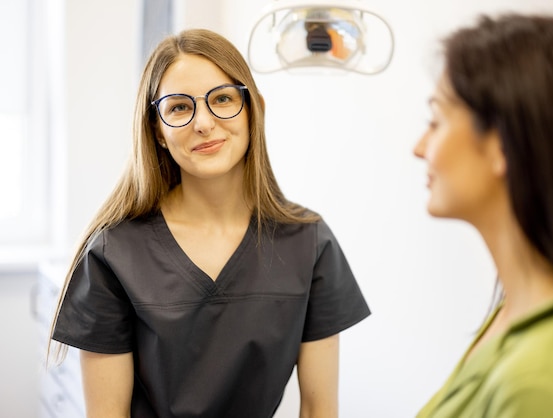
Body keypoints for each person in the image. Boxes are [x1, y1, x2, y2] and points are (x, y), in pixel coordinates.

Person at [48, 28, 370, 417]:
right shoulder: (112, 253)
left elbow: (320, 409)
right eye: (180, 107)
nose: (204, 122)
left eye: (222, 99)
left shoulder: (309, 243)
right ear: (158, 131)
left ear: (255, 111)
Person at [413, 13, 553, 417]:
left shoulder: (545, 383)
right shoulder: (514, 314)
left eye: (435, 121)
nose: (420, 147)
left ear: (502, 146)